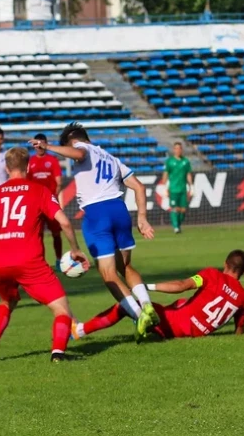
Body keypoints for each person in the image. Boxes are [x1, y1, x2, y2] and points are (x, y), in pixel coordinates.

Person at [30, 122, 157, 340]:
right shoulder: (111, 157)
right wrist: (142, 218)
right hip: (120, 210)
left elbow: (78, 152)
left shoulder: (83, 149)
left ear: (72, 141)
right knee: (125, 266)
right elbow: (139, 186)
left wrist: (48, 146)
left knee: (108, 274)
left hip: (98, 215)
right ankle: (147, 305)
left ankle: (139, 316)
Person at [0, 146, 88, 363]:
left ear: (7, 168)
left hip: (1, 260)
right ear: (28, 166)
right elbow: (64, 222)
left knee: (7, 302)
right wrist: (75, 249)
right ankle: (58, 353)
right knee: (62, 309)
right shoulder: (40, 191)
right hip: (29, 259)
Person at [72, 249, 244, 341]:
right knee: (180, 302)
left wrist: (144, 287)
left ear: (225, 263)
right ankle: (145, 324)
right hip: (196, 333)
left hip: (175, 326)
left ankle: (79, 331)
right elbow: (239, 331)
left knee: (125, 306)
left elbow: (182, 285)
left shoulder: (213, 275)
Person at [27, 133, 64, 263]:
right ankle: (40, 261)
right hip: (35, 205)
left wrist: (53, 197)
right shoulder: (29, 162)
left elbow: (59, 182)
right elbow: (27, 183)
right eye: (37, 144)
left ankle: (59, 260)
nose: (39, 147)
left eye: (42, 143)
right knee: (37, 234)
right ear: (33, 145)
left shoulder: (52, 160)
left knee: (56, 233)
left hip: (50, 204)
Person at [162, 142, 193, 234]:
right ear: (174, 150)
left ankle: (178, 225)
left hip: (183, 189)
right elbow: (165, 174)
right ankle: (176, 227)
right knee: (174, 208)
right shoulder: (169, 161)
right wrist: (165, 187)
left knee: (183, 210)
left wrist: (192, 186)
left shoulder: (186, 161)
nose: (178, 150)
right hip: (173, 189)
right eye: (176, 148)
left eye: (179, 148)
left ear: (181, 150)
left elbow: (188, 174)